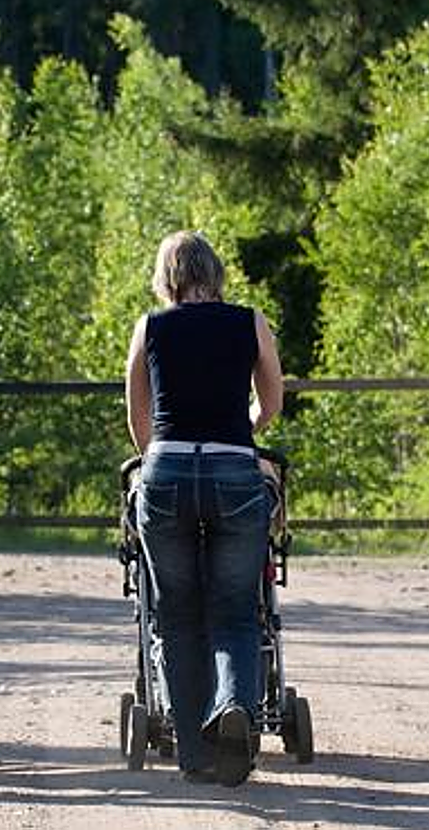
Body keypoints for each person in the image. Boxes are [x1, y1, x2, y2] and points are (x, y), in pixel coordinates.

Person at [124, 230, 284, 786]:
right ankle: (235, 704)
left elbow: (138, 417)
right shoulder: (250, 322)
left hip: (166, 469)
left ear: (167, 277)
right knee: (236, 609)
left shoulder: (151, 327)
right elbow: (274, 400)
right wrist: (245, 429)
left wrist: (157, 458)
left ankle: (194, 752)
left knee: (176, 614)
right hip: (234, 471)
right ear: (213, 273)